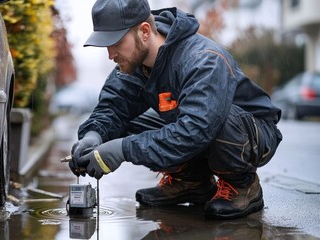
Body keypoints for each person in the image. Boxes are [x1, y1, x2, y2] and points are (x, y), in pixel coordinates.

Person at [68, 0, 282, 219]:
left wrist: (123, 149)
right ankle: (190, 181)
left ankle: (242, 185)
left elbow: (196, 129)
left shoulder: (202, 59)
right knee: (127, 123)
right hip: (200, 127)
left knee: (213, 118)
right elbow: (112, 107)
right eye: (105, 45)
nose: (110, 54)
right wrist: (93, 136)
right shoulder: (133, 65)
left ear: (144, 31)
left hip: (251, 134)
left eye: (115, 42)